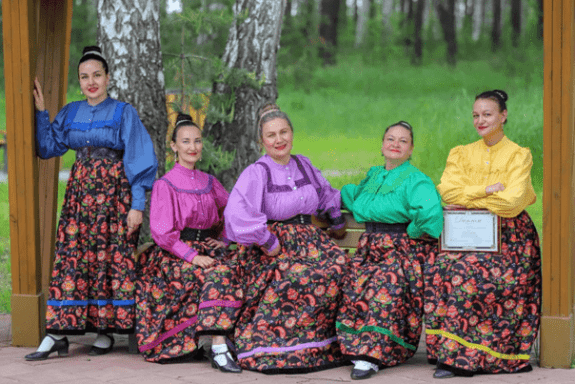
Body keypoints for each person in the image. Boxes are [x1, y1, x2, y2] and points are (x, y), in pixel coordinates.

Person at [25, 46, 158, 361]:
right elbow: (47, 148)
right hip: (79, 199)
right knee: (74, 257)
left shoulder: (124, 112)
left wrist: (137, 205)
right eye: (84, 77)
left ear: (108, 77)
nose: (91, 82)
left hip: (114, 198)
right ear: (80, 81)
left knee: (109, 259)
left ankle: (105, 332)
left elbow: (140, 159)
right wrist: (42, 113)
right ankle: (58, 333)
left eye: (97, 75)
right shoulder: (70, 112)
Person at [224, 103, 348, 374]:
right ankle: (280, 347)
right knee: (298, 276)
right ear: (261, 141)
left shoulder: (303, 164)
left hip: (313, 241)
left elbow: (325, 192)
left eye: (284, 132)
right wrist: (267, 240)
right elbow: (236, 212)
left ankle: (333, 344)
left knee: (340, 267)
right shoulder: (257, 172)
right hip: (277, 245)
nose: (279, 140)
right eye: (271, 135)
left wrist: (335, 215)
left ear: (292, 133)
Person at [425, 90, 541, 378]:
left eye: (487, 114)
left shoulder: (519, 155)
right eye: (476, 115)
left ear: (503, 116)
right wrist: (487, 190)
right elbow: (447, 191)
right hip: (464, 232)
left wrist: (467, 199)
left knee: (468, 272)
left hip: (509, 237)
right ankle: (446, 349)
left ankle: (464, 358)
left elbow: (513, 202)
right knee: (440, 266)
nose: (480, 120)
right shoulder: (461, 153)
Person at [135, 113, 242, 371]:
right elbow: (162, 233)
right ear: (174, 146)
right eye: (185, 141)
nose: (192, 147)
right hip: (174, 254)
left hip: (208, 248)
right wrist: (193, 256)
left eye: (197, 141)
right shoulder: (165, 184)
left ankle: (230, 343)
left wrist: (225, 239)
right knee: (216, 274)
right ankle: (218, 347)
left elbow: (234, 210)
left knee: (239, 270)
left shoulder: (209, 182)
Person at [336, 121, 443, 380]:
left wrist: (411, 232)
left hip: (400, 252)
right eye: (391, 139)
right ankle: (352, 347)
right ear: (382, 145)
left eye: (403, 141)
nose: (395, 145)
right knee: (350, 281)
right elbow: (353, 197)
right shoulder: (374, 176)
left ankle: (371, 354)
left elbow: (430, 216)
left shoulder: (416, 180)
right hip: (368, 249)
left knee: (384, 283)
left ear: (411, 148)